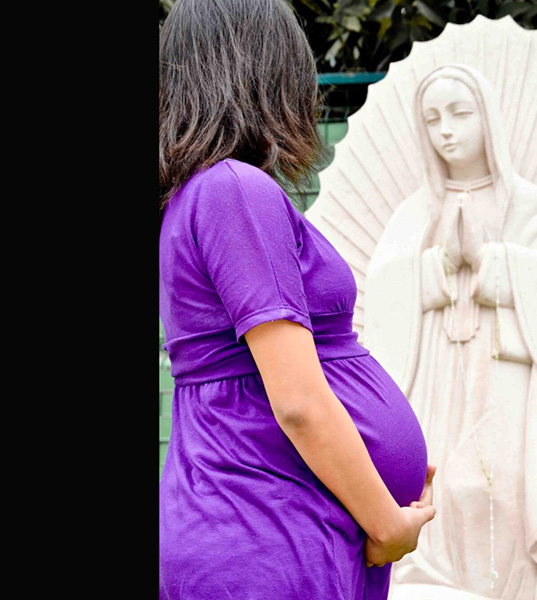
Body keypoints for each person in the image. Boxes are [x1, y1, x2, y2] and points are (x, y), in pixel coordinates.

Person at [158, 1, 436, 598]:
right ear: (267, 67)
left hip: (270, 523)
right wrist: (388, 524)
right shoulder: (234, 190)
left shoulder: (198, 195)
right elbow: (300, 402)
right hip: (267, 533)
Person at [364, 65, 537, 599]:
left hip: (507, 377)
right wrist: (438, 267)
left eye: (460, 113)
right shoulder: (416, 213)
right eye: (433, 119)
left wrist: (495, 263)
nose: (446, 130)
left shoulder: (529, 206)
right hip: (436, 376)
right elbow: (384, 290)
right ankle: (437, 579)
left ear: (486, 117)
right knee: (443, 482)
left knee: (506, 484)